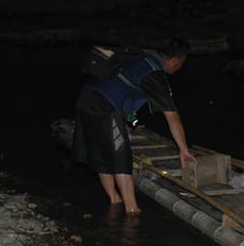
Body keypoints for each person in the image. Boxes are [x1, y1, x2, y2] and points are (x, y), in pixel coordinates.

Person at [73, 38, 196, 213]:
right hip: (105, 104)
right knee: (121, 160)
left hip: (86, 98)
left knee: (102, 157)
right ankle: (132, 211)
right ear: (175, 61)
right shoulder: (154, 73)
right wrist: (184, 150)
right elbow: (172, 116)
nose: (180, 69)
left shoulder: (141, 57)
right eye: (181, 64)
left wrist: (133, 122)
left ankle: (115, 201)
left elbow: (126, 95)